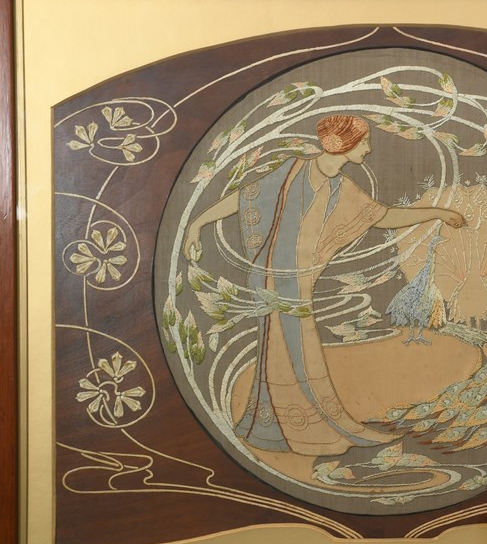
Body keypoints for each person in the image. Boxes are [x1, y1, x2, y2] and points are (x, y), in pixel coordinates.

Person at [184, 114, 465, 457]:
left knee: (295, 352)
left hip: (299, 283)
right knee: (289, 352)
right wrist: (196, 224)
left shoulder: (342, 187)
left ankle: (279, 428)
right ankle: (298, 431)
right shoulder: (292, 170)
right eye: (364, 142)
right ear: (344, 144)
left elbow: (384, 216)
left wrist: (436, 213)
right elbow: (245, 198)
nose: (369, 148)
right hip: (274, 280)